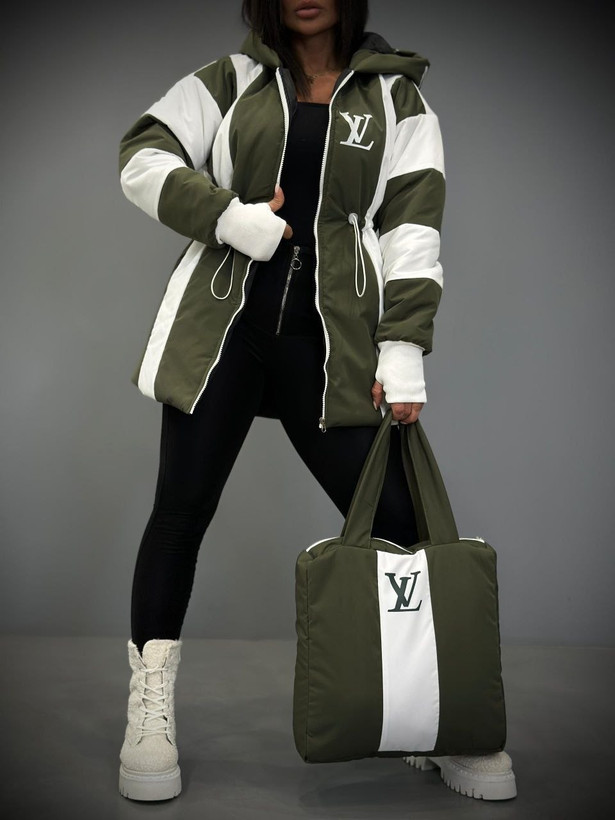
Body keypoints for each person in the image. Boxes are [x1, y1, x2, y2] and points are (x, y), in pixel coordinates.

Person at [117, 0, 516, 804]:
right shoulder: (229, 79)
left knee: (400, 524)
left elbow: (411, 228)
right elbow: (141, 156)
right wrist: (226, 217)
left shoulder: (397, 98)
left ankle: (433, 721)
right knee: (179, 512)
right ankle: (148, 716)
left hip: (329, 346)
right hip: (220, 333)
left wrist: (402, 346)